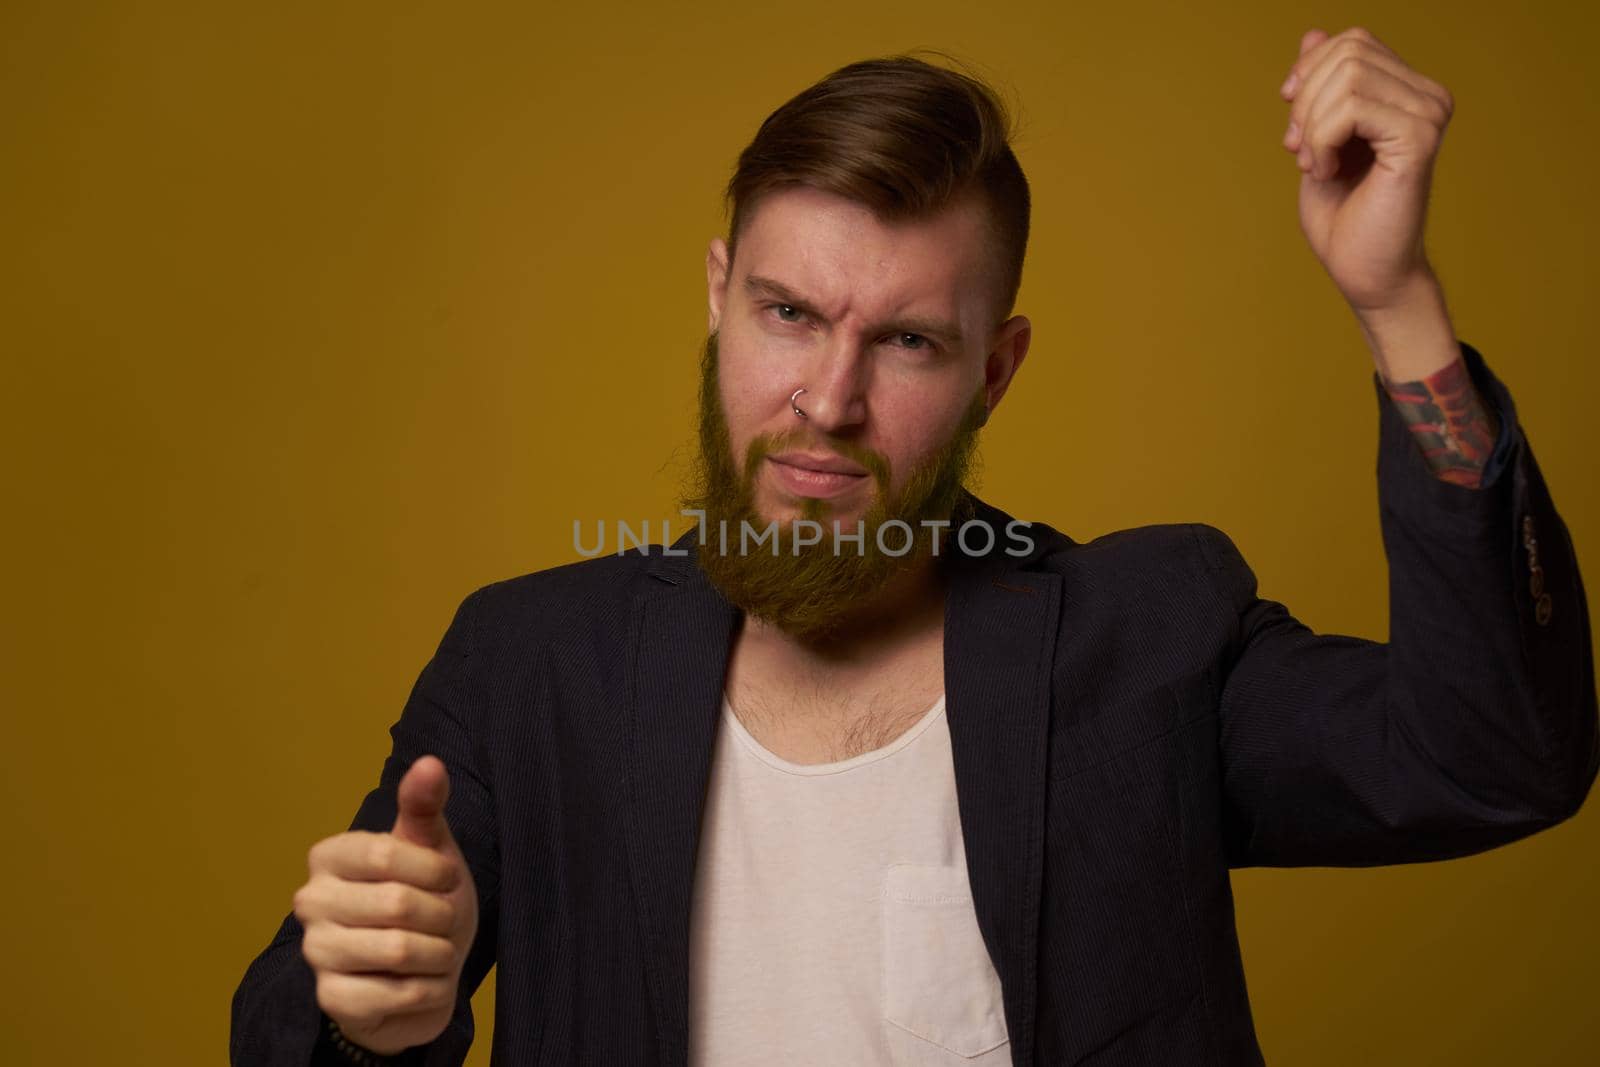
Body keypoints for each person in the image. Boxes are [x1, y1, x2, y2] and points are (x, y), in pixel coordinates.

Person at [231, 27, 1598, 1067]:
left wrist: (1395, 303)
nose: (828, 400)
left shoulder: (1150, 640)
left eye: (906, 341)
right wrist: (375, 1013)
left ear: (994, 371)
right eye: (786, 314)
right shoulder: (530, 666)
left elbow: (1498, 756)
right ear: (718, 299)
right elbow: (288, 1032)